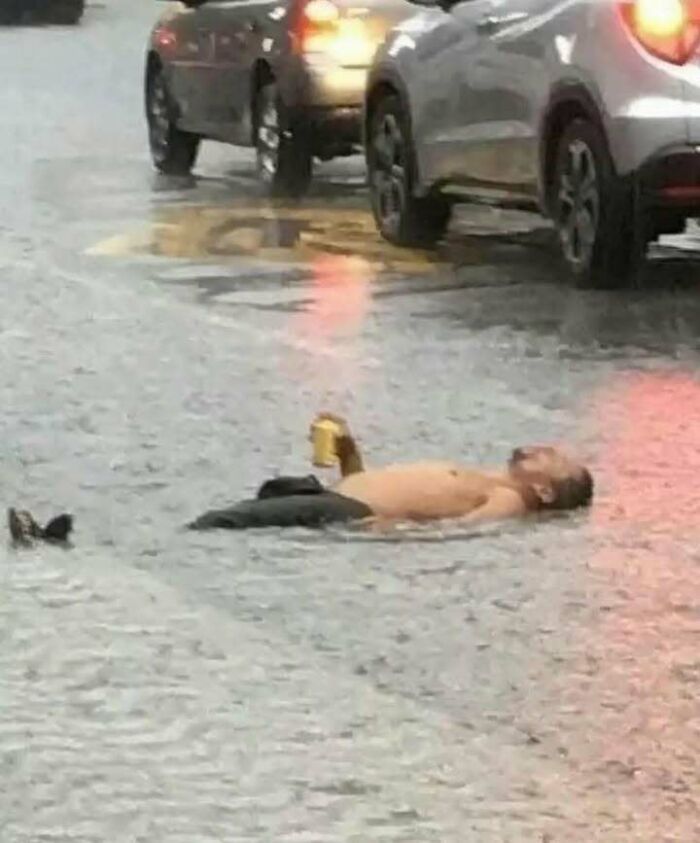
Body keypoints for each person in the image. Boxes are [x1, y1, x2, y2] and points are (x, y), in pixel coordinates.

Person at [189, 414, 593, 531]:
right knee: (233, 519)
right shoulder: (481, 479)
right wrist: (348, 450)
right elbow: (380, 486)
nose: (543, 448)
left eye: (551, 458)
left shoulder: (507, 499)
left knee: (217, 522)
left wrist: (389, 531)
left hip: (343, 511)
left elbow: (458, 531)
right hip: (331, 497)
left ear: (544, 491)